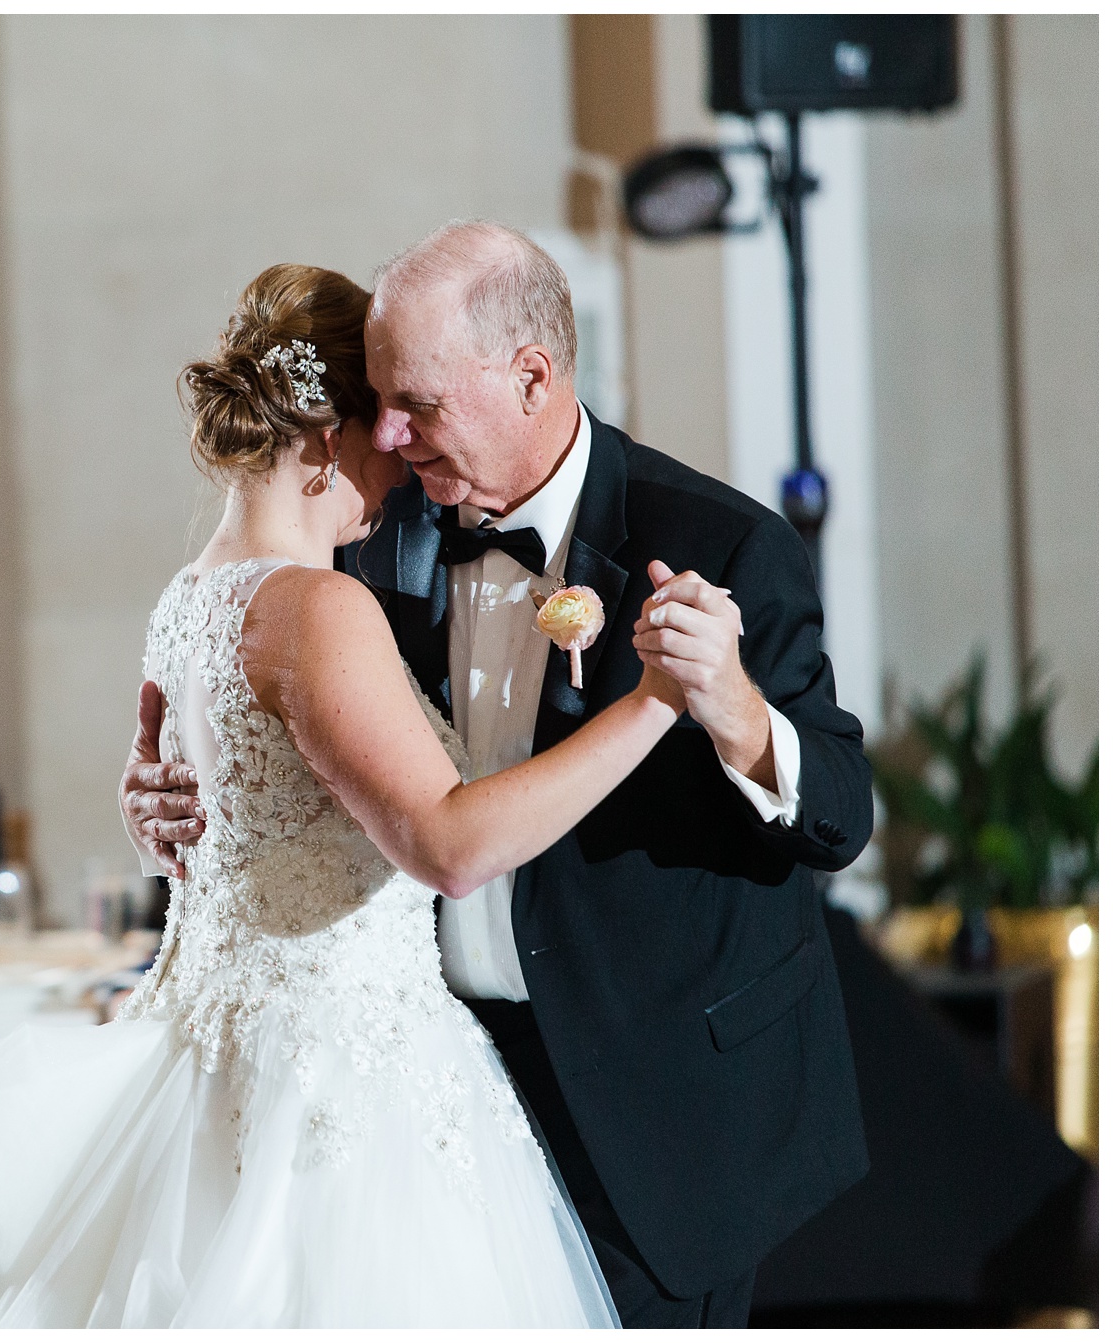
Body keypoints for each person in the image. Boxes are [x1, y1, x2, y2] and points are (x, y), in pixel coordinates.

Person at [0, 264, 709, 1327]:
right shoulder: (315, 607)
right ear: (327, 432)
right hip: (338, 1087)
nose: (406, 455)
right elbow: (449, 844)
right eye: (389, 420)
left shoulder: (187, 597)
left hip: (224, 1066)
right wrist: (653, 701)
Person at [123, 224, 873, 1327]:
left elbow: (841, 810)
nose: (386, 431)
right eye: (375, 401)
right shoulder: (367, 533)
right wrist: (168, 805)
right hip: (432, 1095)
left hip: (657, 1099)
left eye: (414, 403)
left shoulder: (720, 540)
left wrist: (733, 708)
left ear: (529, 376)